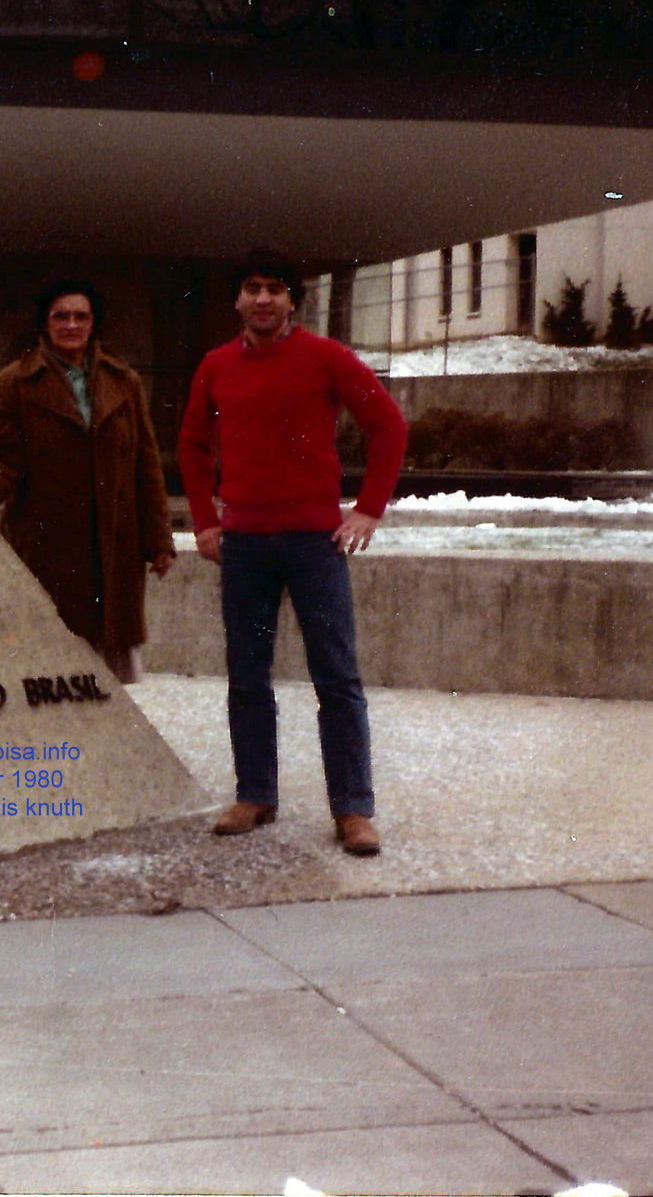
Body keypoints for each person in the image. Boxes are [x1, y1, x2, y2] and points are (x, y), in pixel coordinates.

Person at [177, 249, 407, 858]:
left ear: (291, 301)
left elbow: (388, 425)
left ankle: (353, 810)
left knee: (337, 677)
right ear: (236, 300)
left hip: (314, 543)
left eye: (275, 290)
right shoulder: (215, 366)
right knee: (247, 675)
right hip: (244, 545)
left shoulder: (325, 357)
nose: (262, 300)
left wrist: (368, 509)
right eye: (251, 288)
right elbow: (193, 445)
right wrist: (205, 521)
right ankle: (255, 794)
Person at [0, 278, 173, 683]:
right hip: (47, 545)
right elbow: (4, 459)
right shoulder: (13, 384)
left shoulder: (123, 379)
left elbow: (146, 464)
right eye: (61, 316)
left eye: (81, 316)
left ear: (94, 323)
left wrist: (159, 541)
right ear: (45, 323)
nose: (71, 325)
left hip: (113, 547)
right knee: (48, 669)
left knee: (108, 677)